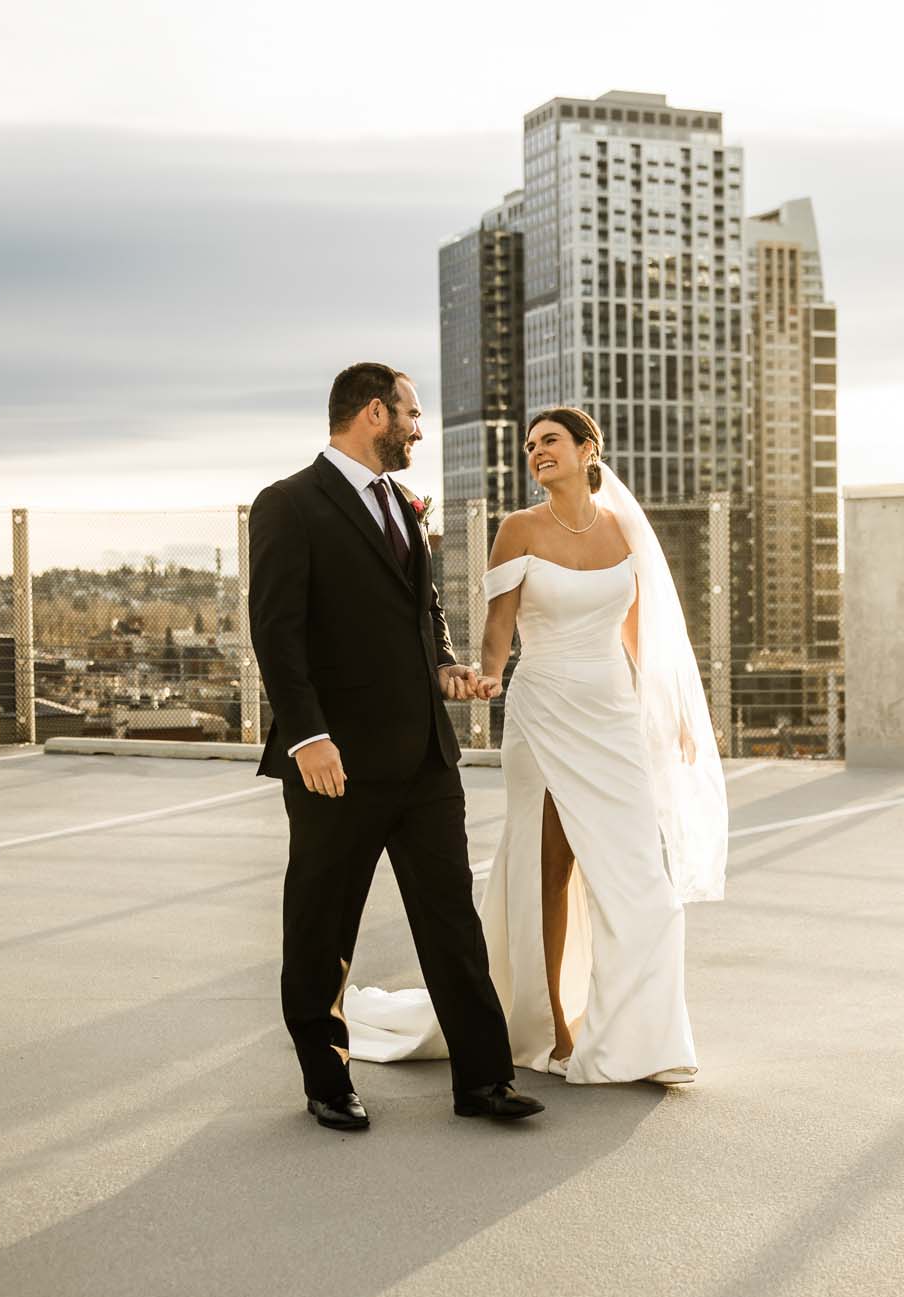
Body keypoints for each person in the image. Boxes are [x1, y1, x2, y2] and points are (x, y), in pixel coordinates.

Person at [343, 405, 726, 1084]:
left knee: (644, 884)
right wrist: (486, 677)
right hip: (543, 712)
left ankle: (646, 1037)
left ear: (587, 449)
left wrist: (669, 713)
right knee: (546, 874)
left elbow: (639, 634)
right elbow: (499, 626)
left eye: (549, 441)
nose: (535, 451)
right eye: (529, 444)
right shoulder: (518, 528)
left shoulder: (624, 530)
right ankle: (551, 1029)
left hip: (611, 717)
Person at [248, 361, 544, 1131]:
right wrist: (308, 736)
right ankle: (327, 1080)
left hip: (423, 759)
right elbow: (276, 633)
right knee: (322, 926)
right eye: (411, 414)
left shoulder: (400, 504)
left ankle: (484, 1081)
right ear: (374, 412)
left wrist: (445, 663)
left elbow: (424, 607)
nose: (419, 429)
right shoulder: (288, 504)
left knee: (452, 920)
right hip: (334, 762)